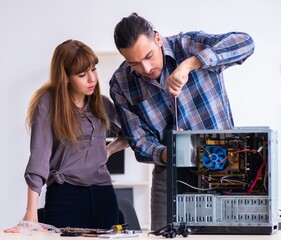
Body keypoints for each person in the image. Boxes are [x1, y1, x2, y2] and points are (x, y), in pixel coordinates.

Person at [109, 13, 255, 230]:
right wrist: (170, 154)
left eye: (149, 56)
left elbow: (245, 42)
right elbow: (138, 140)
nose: (147, 68)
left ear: (158, 39)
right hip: (169, 176)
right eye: (135, 64)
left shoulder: (188, 45)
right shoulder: (121, 83)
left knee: (226, 234)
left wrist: (191, 64)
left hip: (224, 165)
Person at [5, 39, 128, 232]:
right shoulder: (49, 104)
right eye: (82, 74)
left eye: (93, 70)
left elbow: (130, 134)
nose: (91, 79)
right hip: (66, 196)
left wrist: (109, 150)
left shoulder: (102, 104)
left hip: (104, 195)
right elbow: (39, 158)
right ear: (66, 77)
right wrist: (31, 212)